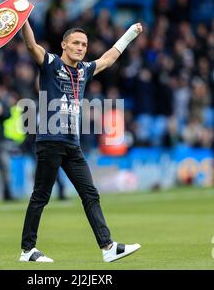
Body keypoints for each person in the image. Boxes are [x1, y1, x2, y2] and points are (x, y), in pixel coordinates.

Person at [18, 18, 143, 263]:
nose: (80, 47)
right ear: (64, 45)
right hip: (50, 140)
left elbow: (108, 58)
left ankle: (107, 247)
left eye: (84, 44)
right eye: (75, 43)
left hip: (72, 144)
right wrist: (23, 17)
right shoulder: (51, 63)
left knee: (90, 194)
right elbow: (31, 45)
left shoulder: (84, 70)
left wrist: (129, 34)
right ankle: (27, 250)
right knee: (41, 196)